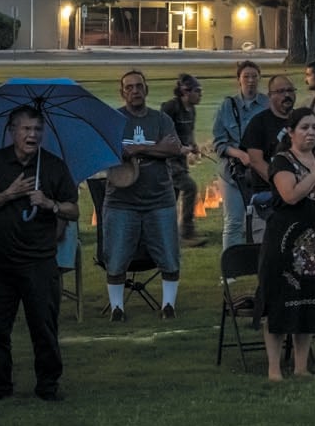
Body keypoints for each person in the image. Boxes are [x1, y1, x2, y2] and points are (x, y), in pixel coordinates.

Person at [0, 106, 78, 401]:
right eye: (26, 129)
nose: (32, 135)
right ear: (12, 131)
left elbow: (73, 209)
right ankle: (0, 386)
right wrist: (9, 194)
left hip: (39, 260)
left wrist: (50, 204)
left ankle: (48, 385)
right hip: (0, 259)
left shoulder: (53, 166)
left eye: (37, 130)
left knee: (44, 326)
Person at [255, 107, 315, 382]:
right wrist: (314, 175)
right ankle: (274, 369)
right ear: (291, 132)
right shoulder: (282, 161)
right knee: (282, 302)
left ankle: (302, 366)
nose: (311, 133)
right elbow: (290, 195)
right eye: (304, 127)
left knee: (310, 302)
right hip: (286, 243)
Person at [107, 70, 184, 321]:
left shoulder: (160, 119)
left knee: (169, 254)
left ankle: (168, 306)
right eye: (129, 87)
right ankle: (117, 308)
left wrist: (139, 148)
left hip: (159, 199)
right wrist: (154, 149)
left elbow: (173, 148)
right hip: (121, 200)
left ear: (146, 90)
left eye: (139, 86)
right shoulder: (114, 119)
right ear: (122, 92)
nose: (135, 91)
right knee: (116, 256)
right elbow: (111, 152)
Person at [212, 60, 268, 249]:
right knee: (234, 222)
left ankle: (261, 266)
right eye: (246, 77)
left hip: (262, 173)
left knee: (262, 222)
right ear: (239, 80)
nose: (250, 81)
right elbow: (219, 142)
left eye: (254, 76)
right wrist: (240, 155)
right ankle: (230, 271)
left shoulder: (268, 105)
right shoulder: (227, 106)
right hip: (232, 174)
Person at [240, 74, 300, 245]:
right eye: (280, 91)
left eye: (290, 90)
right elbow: (256, 160)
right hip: (268, 200)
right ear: (270, 96)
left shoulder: (303, 120)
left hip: (301, 197)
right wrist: (283, 186)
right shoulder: (258, 123)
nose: (286, 95)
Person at [161, 73, 205, 247]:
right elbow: (162, 134)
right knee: (190, 188)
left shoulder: (192, 110)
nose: (200, 94)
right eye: (197, 91)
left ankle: (168, 233)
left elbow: (188, 132)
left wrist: (192, 145)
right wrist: (180, 148)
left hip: (180, 161)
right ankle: (186, 233)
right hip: (168, 161)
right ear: (185, 92)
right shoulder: (170, 108)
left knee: (172, 197)